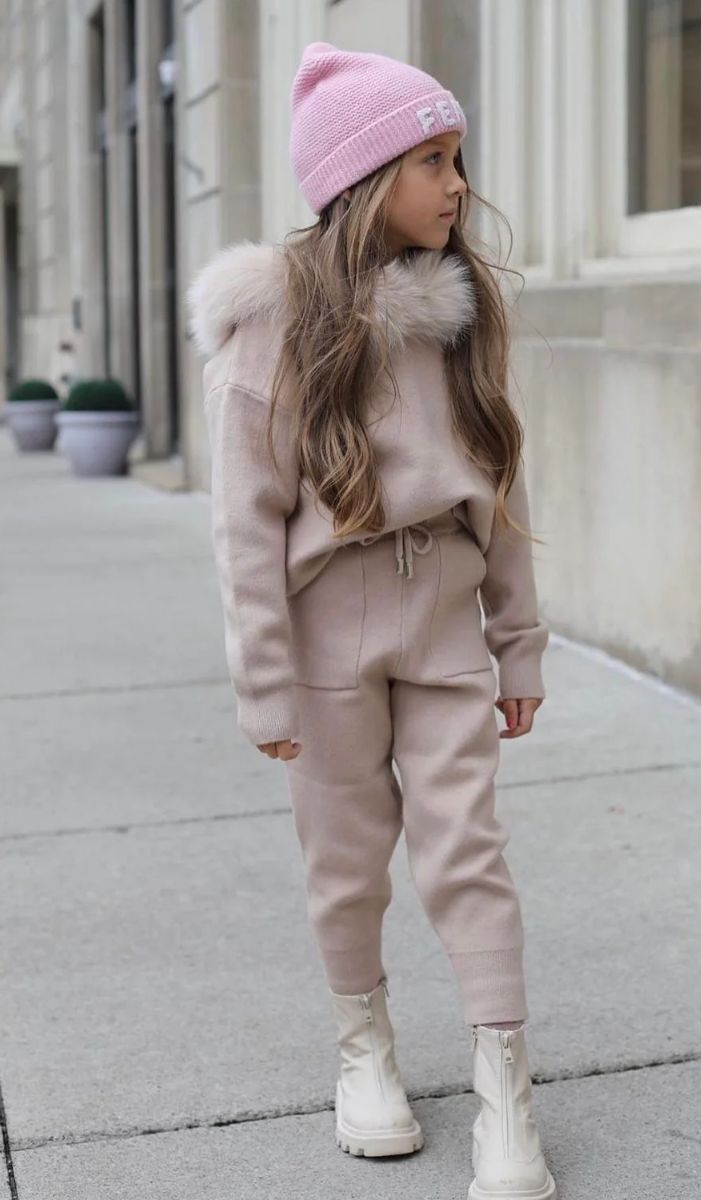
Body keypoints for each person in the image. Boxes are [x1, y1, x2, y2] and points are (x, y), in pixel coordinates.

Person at [187, 40, 557, 1200]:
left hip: (442, 619)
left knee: (468, 854)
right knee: (345, 865)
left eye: (456, 159)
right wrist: (261, 685)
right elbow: (245, 527)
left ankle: (505, 1090)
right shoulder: (273, 329)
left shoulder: (455, 310)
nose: (456, 184)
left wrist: (518, 636)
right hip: (323, 639)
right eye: (431, 161)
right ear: (360, 181)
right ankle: (366, 1055)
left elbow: (500, 480)